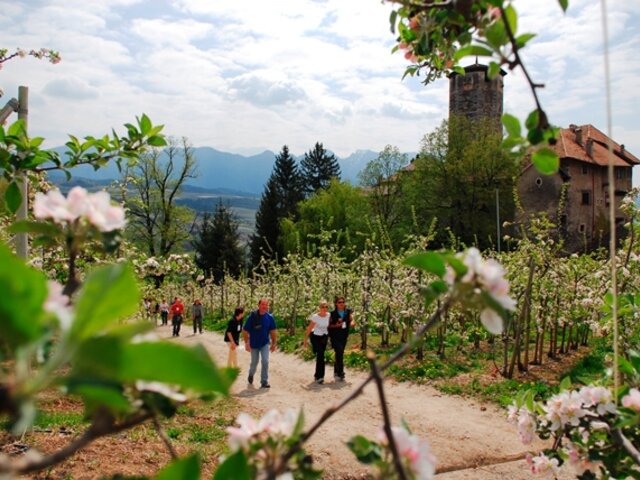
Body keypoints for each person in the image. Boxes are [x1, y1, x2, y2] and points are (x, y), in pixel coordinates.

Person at [243, 298, 277, 389]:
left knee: (265, 361)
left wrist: (274, 343)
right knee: (254, 362)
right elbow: (245, 330)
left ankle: (264, 381)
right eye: (262, 304)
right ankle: (251, 374)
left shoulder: (270, 317)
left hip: (264, 343)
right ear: (258, 305)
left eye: (266, 305)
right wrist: (246, 343)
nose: (264, 306)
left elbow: (273, 331)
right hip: (254, 343)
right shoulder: (252, 316)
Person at [303, 300, 331, 384]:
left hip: (324, 337)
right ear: (319, 308)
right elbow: (309, 328)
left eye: (326, 307)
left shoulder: (329, 315)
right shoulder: (315, 317)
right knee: (320, 355)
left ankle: (317, 375)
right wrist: (305, 340)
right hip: (315, 337)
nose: (324, 308)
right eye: (323, 307)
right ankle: (320, 377)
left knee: (320, 356)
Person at [328, 295, 355, 382]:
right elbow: (328, 325)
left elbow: (352, 319)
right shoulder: (332, 314)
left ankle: (336, 371)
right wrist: (336, 326)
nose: (342, 304)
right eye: (339, 302)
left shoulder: (347, 312)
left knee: (339, 353)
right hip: (335, 336)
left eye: (343, 302)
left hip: (344, 336)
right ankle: (341, 372)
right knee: (339, 351)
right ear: (336, 304)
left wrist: (352, 323)